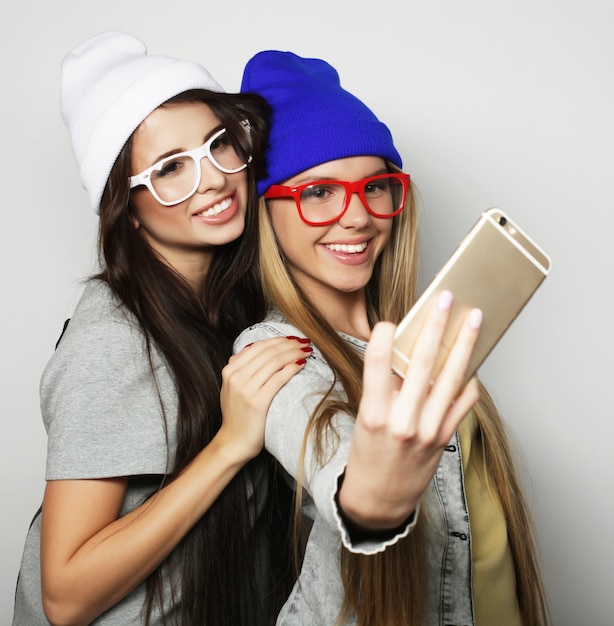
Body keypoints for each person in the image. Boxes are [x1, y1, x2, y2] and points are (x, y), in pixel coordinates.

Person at [236, 50, 551, 625]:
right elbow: (336, 469)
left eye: (375, 187)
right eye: (317, 193)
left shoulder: (422, 335)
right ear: (267, 211)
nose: (358, 217)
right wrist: (370, 503)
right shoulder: (273, 352)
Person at [12, 33, 308, 626]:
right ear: (128, 208)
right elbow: (66, 597)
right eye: (172, 168)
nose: (216, 179)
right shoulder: (115, 339)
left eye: (220, 145)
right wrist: (230, 446)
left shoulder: (233, 305)